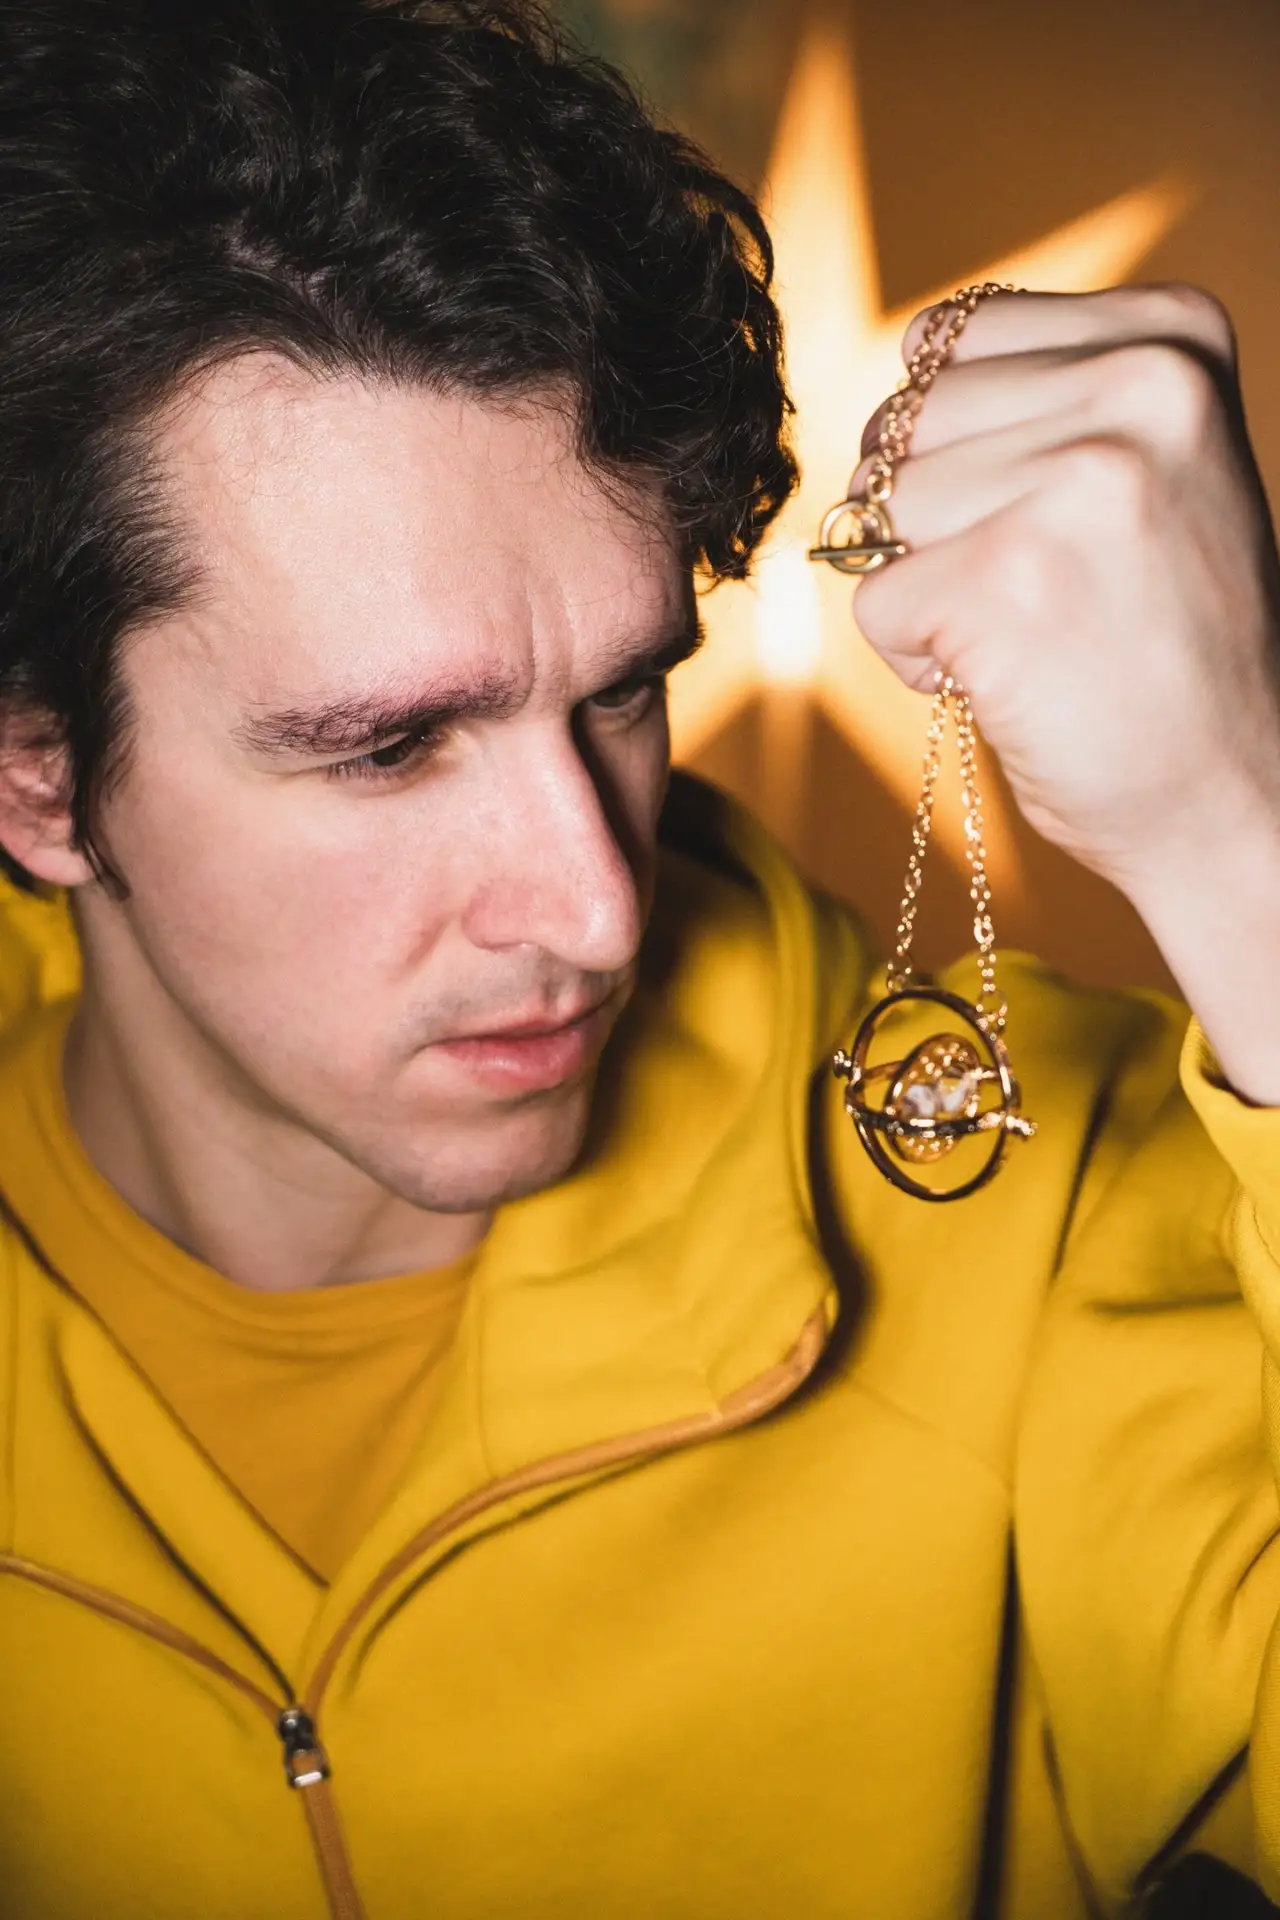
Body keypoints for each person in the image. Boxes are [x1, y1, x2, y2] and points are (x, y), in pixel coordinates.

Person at [1, 1, 1279, 1915]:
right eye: (389, 747)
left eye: (619, 694)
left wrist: (1248, 843)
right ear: (38, 778)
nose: (599, 908)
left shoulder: (1045, 1203)